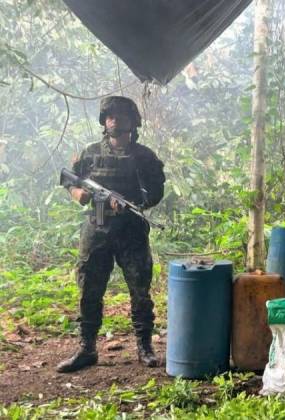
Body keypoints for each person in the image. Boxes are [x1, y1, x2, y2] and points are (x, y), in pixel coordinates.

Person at [57, 96, 165, 373]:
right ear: (104, 121)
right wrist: (78, 194)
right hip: (98, 228)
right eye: (109, 116)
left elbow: (155, 192)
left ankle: (144, 346)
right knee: (89, 287)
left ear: (133, 122)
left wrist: (134, 202)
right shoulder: (91, 153)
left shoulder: (144, 157)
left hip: (130, 229)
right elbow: (70, 179)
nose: (114, 120)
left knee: (140, 289)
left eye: (120, 116)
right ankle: (87, 348)